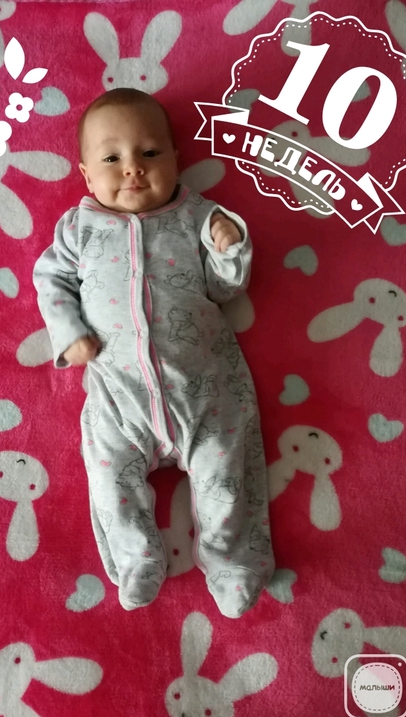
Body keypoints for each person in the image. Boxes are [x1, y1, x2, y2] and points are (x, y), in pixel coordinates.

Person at [33, 87, 274, 618]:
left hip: (204, 393)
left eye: (149, 153)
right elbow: (51, 279)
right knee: (109, 478)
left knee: (227, 481)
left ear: (176, 160)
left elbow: (225, 289)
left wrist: (229, 248)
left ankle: (232, 562)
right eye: (112, 159)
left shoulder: (197, 217)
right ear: (86, 176)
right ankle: (136, 557)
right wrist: (69, 332)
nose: (133, 169)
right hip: (120, 400)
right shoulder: (78, 229)